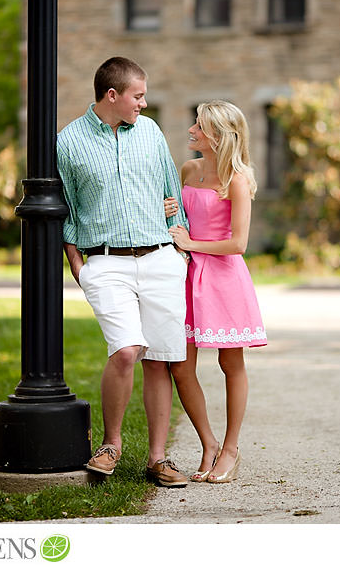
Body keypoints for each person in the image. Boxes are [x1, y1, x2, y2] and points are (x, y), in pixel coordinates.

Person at [57, 56, 191, 488]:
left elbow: (173, 191)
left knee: (160, 360)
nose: (144, 103)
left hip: (159, 257)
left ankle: (157, 459)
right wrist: (77, 262)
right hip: (106, 261)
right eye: (138, 95)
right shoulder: (68, 143)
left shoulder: (149, 132)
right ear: (112, 95)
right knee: (127, 349)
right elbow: (65, 208)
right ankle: (112, 444)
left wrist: (179, 245)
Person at [165, 99, 267, 483]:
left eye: (200, 126)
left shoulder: (237, 180)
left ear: (219, 137)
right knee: (181, 365)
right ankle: (208, 443)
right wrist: (170, 209)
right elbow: (179, 221)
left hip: (223, 278)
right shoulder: (189, 169)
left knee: (230, 364)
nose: (192, 130)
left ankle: (231, 448)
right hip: (187, 276)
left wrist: (192, 244)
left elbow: (238, 243)